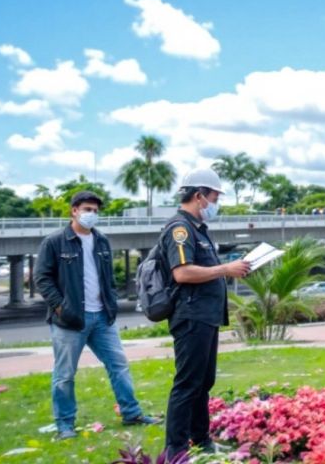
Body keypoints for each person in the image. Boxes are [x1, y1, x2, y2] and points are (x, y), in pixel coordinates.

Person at [35, 191, 161, 440]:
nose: (91, 214)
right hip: (69, 321)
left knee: (119, 366)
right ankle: (65, 424)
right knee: (65, 375)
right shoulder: (54, 242)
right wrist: (61, 307)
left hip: (102, 318)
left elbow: (107, 279)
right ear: (74, 210)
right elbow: (42, 278)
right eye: (86, 209)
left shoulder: (101, 241)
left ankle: (131, 413)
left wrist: (111, 305)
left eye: (95, 210)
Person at [162, 169, 251, 458]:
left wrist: (233, 269)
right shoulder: (180, 228)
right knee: (188, 383)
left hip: (206, 316)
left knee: (203, 382)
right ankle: (175, 449)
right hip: (191, 316)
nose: (216, 203)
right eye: (214, 197)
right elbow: (183, 273)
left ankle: (201, 439)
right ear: (199, 196)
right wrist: (226, 269)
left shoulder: (198, 229)